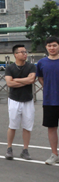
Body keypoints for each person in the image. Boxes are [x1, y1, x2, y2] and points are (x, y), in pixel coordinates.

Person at [4, 44, 36, 160]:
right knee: (12, 125)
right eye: (22, 52)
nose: (25, 54)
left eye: (25, 52)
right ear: (15, 54)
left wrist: (16, 80)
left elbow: (32, 79)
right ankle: (9, 148)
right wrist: (25, 81)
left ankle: (25, 150)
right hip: (14, 99)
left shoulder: (31, 66)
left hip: (28, 100)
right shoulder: (10, 68)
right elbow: (9, 83)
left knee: (27, 126)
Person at [37, 36, 59, 165]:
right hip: (50, 100)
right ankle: (54, 154)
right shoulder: (41, 63)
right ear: (46, 47)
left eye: (54, 45)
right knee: (51, 128)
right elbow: (40, 77)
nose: (52, 48)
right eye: (49, 45)